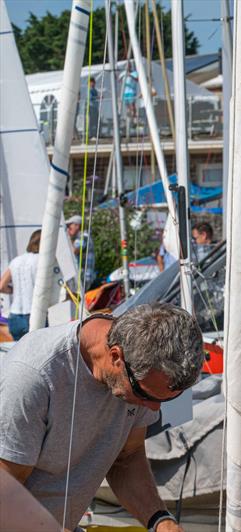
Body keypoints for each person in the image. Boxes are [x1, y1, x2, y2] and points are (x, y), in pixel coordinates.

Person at [0, 302, 203, 532]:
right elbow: (5, 494)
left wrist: (160, 521)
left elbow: (127, 457)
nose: (154, 409)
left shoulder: (142, 372)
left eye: (165, 400)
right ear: (116, 356)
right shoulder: (33, 378)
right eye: (146, 396)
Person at [0, 230, 41, 340]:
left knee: (18, 353)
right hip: (34, 314)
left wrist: (14, 290)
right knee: (37, 354)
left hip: (14, 316)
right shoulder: (42, 260)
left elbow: (1, 286)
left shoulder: (16, 261)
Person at [66, 214, 96, 289]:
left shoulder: (83, 237)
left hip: (83, 279)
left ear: (77, 226)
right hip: (81, 278)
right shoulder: (80, 237)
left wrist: (67, 237)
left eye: (69, 226)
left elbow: (74, 251)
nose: (68, 229)